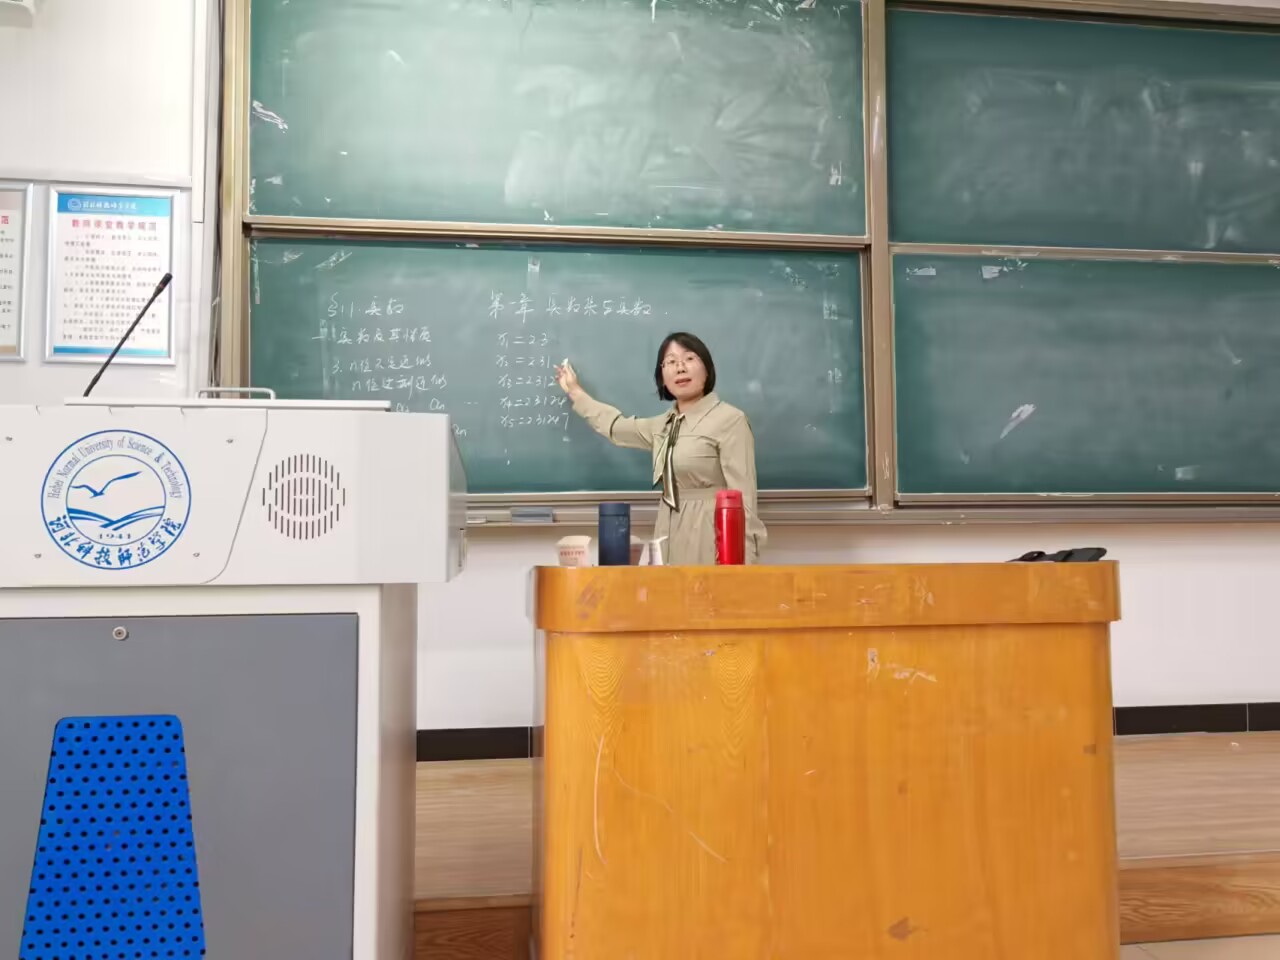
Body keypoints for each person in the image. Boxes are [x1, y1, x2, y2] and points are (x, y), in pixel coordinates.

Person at [555, 332, 766, 565]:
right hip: (668, 529)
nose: (680, 368)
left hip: (712, 533)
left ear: (707, 369)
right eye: (671, 362)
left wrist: (744, 566)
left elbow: (744, 501)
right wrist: (576, 392)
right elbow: (616, 427)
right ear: (662, 377)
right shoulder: (663, 426)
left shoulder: (730, 420)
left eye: (689, 359)